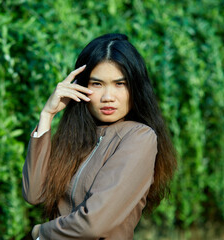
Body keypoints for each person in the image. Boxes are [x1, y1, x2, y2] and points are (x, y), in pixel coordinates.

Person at [22, 33, 177, 240]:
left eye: (120, 84)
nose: (108, 97)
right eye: (97, 84)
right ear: (81, 86)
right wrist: (47, 116)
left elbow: (92, 225)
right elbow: (34, 194)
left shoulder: (139, 137)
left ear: (135, 88)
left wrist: (40, 232)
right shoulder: (75, 136)